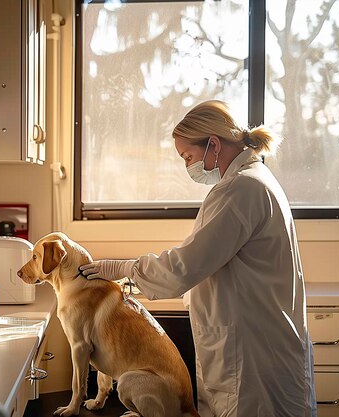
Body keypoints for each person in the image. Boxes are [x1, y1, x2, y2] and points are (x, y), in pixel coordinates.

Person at [79, 100, 317, 417]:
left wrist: (123, 269)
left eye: (188, 156)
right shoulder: (252, 181)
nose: (188, 166)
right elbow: (207, 262)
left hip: (253, 360)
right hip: (258, 345)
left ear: (214, 145)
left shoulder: (240, 190)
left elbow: (184, 268)